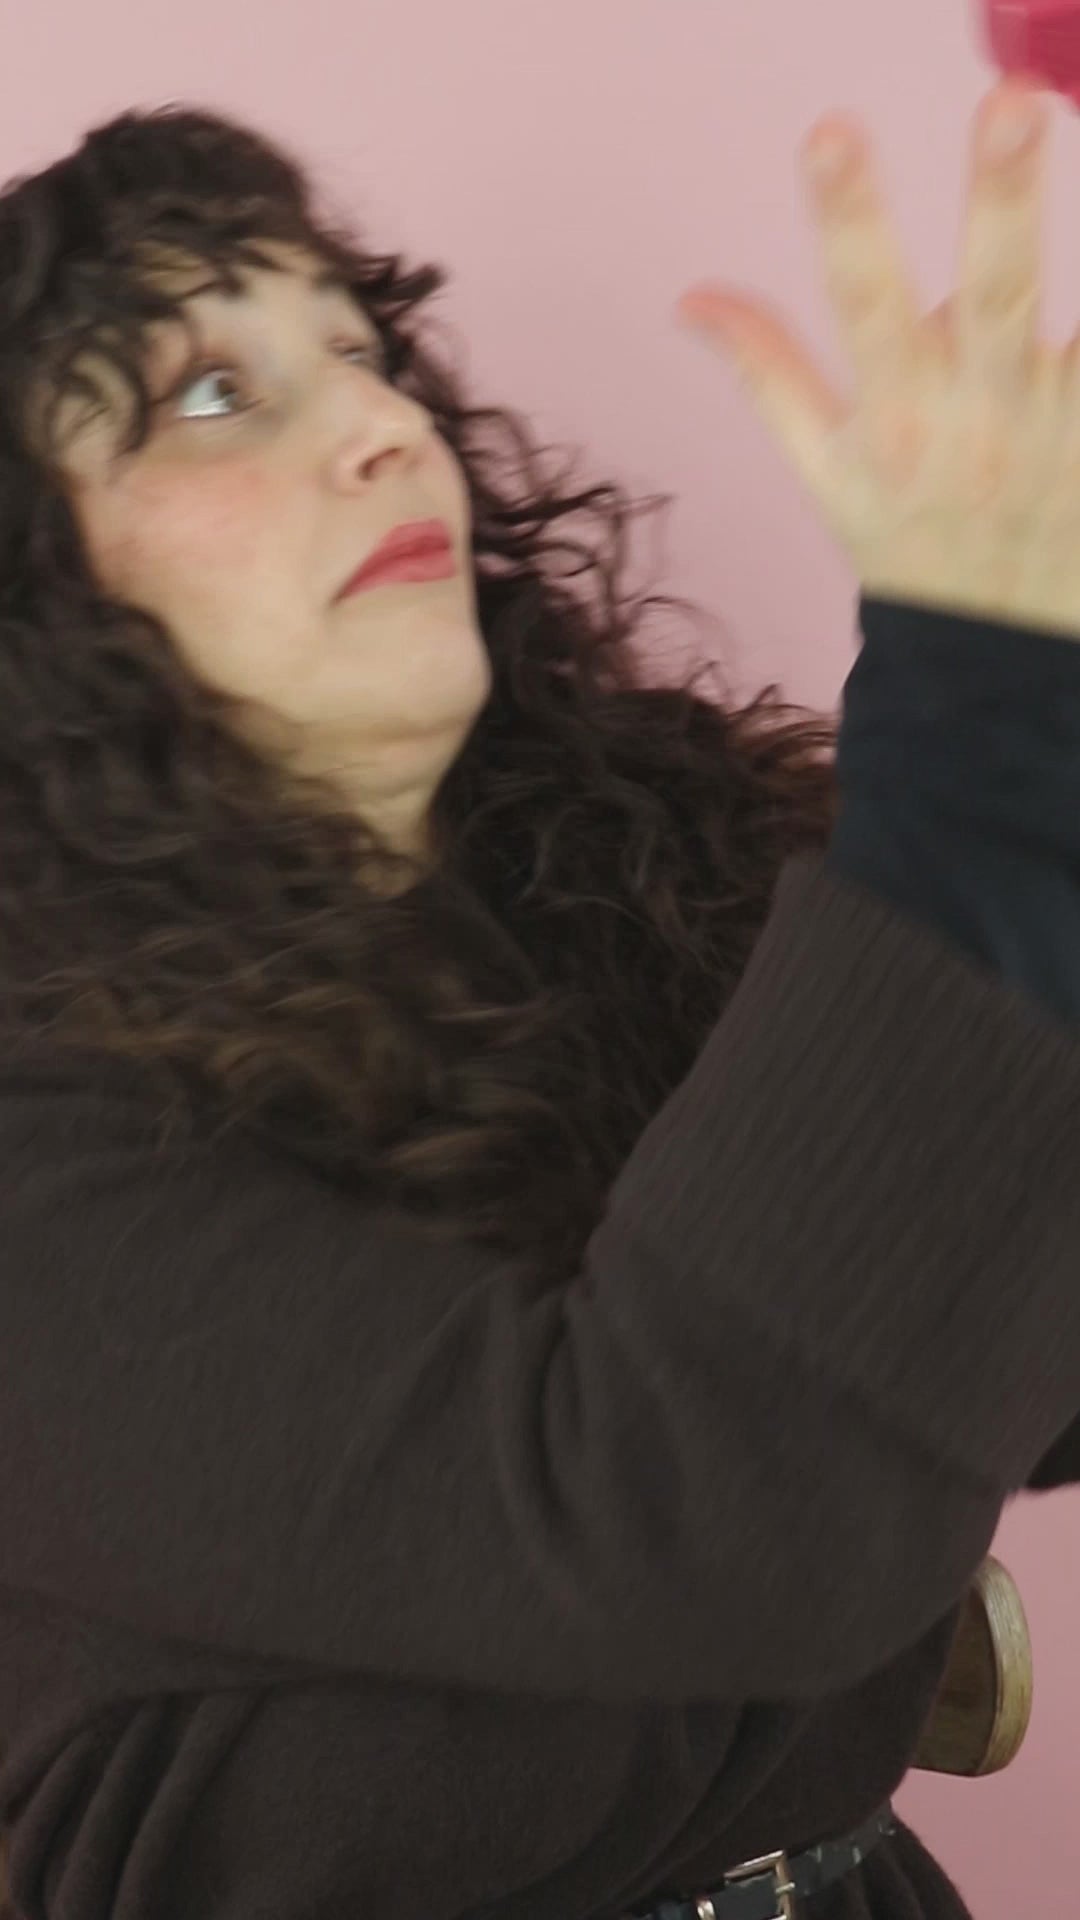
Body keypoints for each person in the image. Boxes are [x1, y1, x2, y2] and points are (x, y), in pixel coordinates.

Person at [0, 70, 1078, 1920]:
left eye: (365, 358)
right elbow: (686, 1518)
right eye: (210, 395)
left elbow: (1007, 1361)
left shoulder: (646, 877)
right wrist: (986, 715)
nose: (380, 429)